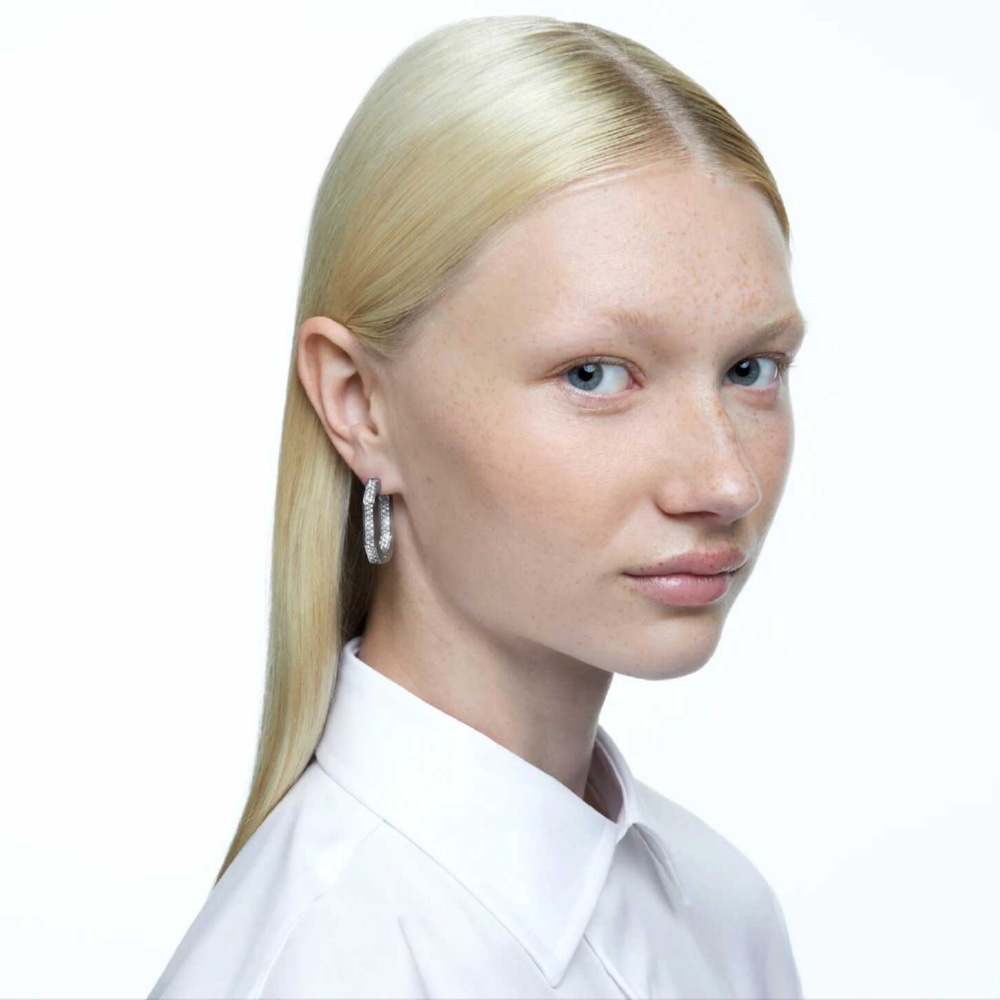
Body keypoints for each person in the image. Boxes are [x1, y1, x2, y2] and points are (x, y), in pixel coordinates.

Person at [149, 14, 808, 999]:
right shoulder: (321, 965)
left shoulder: (720, 913)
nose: (725, 483)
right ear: (359, 404)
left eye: (751, 369)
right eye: (594, 374)